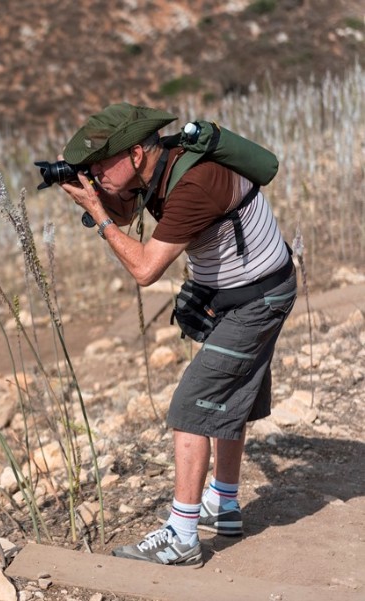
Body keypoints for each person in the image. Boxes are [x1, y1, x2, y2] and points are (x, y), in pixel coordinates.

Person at [58, 103, 297, 566]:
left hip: (257, 299)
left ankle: (182, 535)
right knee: (230, 399)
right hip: (250, 290)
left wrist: (97, 214)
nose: (95, 172)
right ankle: (223, 504)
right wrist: (98, 194)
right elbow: (130, 216)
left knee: (191, 408)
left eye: (101, 163)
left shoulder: (194, 182)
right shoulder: (162, 165)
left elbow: (146, 269)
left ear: (133, 154)